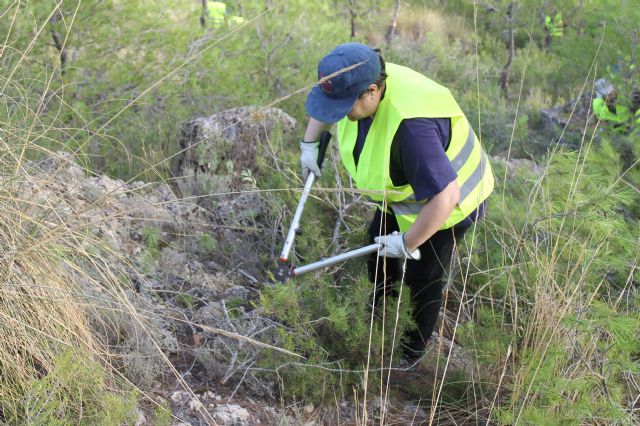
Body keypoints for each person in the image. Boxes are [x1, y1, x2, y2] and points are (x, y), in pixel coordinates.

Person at [300, 43, 494, 362]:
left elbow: (446, 196)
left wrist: (407, 242)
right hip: (403, 194)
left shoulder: (411, 132)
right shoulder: (358, 76)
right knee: (377, 251)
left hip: (450, 205)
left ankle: (409, 354)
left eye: (343, 106)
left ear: (372, 91)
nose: (338, 114)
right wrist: (310, 143)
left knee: (423, 275)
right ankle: (379, 322)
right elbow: (326, 102)